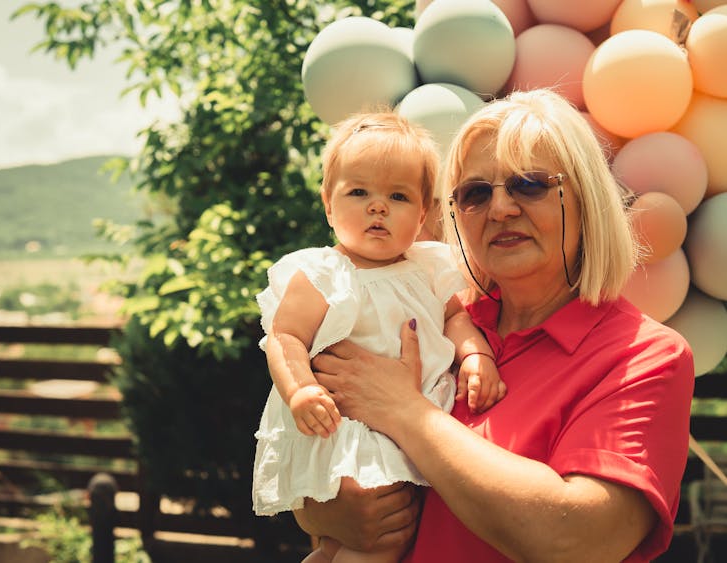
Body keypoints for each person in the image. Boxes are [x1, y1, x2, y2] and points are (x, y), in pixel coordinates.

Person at [297, 89, 695, 562]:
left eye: (529, 184)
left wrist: (406, 412)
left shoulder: (644, 356)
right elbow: (322, 444)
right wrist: (320, 511)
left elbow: (579, 541)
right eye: (476, 193)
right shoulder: (429, 316)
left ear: (586, 199)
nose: (500, 208)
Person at [251, 111, 506, 563]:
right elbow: (285, 337)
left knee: (360, 539)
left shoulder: (427, 268)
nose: (378, 206)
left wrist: (474, 356)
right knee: (383, 534)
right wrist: (302, 390)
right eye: (359, 192)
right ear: (328, 203)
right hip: (346, 426)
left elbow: (456, 319)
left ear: (423, 212)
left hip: (409, 422)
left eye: (398, 196)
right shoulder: (323, 274)